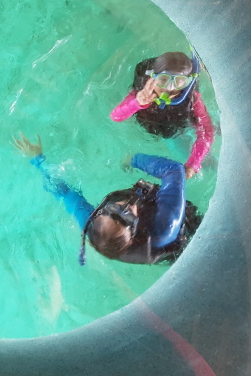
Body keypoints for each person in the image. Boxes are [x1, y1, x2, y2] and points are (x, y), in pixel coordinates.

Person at [12, 134, 201, 265]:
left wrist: (38, 160)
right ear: (134, 231)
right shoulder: (165, 225)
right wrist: (132, 158)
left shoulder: (95, 227)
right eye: (126, 217)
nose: (123, 206)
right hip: (184, 229)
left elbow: (64, 192)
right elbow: (174, 170)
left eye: (111, 210)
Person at [110, 49, 214, 179]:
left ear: (187, 83)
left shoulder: (192, 98)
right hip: (148, 128)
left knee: (207, 161)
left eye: (179, 81)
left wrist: (193, 164)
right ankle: (131, 159)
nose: (170, 88)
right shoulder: (142, 93)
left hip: (176, 127)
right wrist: (137, 102)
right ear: (152, 77)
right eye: (163, 79)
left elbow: (206, 131)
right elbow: (115, 117)